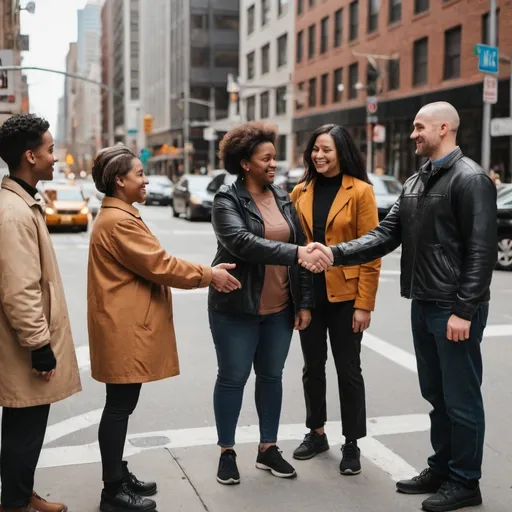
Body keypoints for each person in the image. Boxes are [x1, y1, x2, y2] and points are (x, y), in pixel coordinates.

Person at [301, 102, 497, 512]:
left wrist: (464, 309)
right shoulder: (415, 182)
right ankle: (441, 468)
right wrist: (332, 253)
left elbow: (481, 253)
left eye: (419, 127)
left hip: (453, 308)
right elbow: (382, 237)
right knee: (436, 395)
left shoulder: (471, 179)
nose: (413, 134)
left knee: (461, 399)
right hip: (424, 302)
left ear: (444, 128)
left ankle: (465, 481)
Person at [88, 145, 241, 512]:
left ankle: (117, 473)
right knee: (118, 407)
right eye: (139, 174)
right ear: (119, 180)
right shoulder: (119, 221)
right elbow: (160, 265)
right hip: (122, 327)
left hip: (122, 323)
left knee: (121, 404)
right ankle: (112, 489)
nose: (146, 179)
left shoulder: (120, 215)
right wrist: (211, 275)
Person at [209, 122, 331, 486]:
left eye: (274, 157)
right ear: (245, 163)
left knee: (272, 377)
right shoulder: (226, 201)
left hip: (279, 308)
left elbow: (303, 252)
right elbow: (242, 243)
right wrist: (297, 253)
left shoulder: (282, 197)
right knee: (232, 379)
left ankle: (267, 448)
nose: (274, 164)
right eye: (266, 158)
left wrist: (304, 304)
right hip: (236, 307)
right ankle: (227, 451)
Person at [0, 113, 82, 512]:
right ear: (30, 156)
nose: (55, 157)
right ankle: (14, 504)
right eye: (50, 150)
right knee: (23, 428)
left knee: (24, 427)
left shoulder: (21, 202)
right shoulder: (14, 213)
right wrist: (39, 346)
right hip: (23, 346)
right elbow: (20, 289)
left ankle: (20, 494)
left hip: (24, 343)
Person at [290, 124, 381, 475]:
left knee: (348, 370)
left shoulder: (360, 192)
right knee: (312, 367)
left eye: (326, 149)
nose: (319, 155)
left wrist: (364, 304)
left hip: (345, 296)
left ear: (342, 152)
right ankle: (316, 433)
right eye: (315, 149)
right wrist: (300, 301)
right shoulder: (300, 191)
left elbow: (371, 251)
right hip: (309, 295)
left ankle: (352, 442)